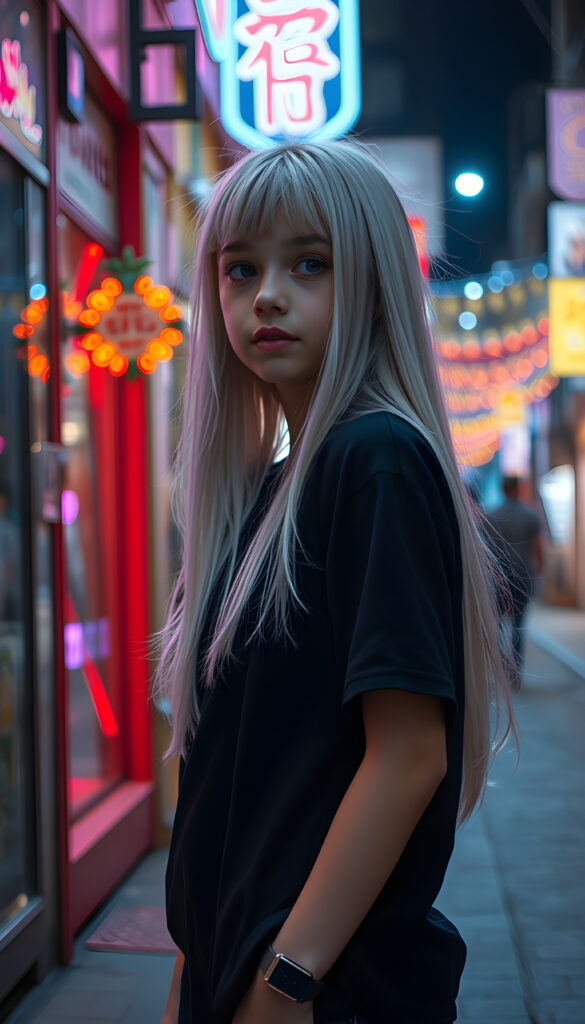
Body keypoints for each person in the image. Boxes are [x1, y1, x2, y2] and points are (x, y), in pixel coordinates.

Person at [155, 140, 515, 1024]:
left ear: (375, 283)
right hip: (239, 966)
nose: (266, 295)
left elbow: (409, 753)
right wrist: (194, 973)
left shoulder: (374, 459)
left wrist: (287, 979)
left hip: (324, 985)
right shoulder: (267, 492)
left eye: (309, 263)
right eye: (240, 269)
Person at [486, 476, 544, 685]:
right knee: (518, 626)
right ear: (517, 489)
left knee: (497, 624)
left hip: (498, 578)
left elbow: (484, 550)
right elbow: (537, 549)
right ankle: (516, 671)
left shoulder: (490, 515)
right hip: (522, 576)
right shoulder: (529, 515)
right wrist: (538, 572)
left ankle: (500, 664)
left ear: (503, 489)